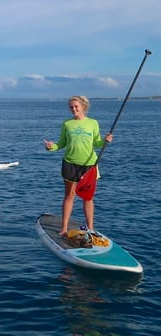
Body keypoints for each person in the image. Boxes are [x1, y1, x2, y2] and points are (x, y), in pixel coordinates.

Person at [44, 95, 113, 236]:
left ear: (83, 106)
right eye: (71, 107)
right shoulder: (67, 124)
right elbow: (61, 144)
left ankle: (91, 228)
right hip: (70, 163)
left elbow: (97, 143)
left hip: (89, 165)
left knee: (88, 197)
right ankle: (64, 228)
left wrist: (105, 140)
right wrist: (51, 147)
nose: (73, 109)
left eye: (76, 106)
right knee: (69, 196)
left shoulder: (93, 123)